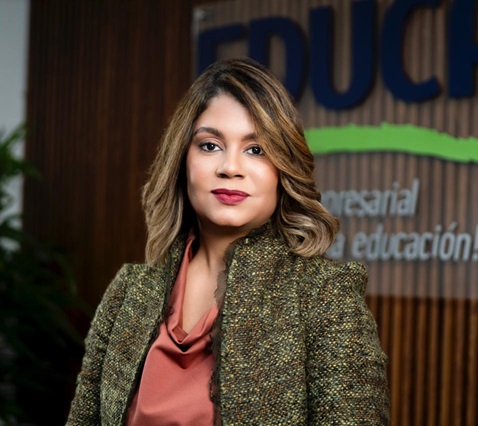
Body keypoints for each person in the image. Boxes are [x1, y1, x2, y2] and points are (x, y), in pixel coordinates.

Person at [66, 58, 389, 425]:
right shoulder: (128, 291)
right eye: (210, 145)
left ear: (284, 169)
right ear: (182, 160)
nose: (230, 168)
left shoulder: (324, 294)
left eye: (256, 149)